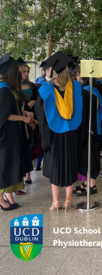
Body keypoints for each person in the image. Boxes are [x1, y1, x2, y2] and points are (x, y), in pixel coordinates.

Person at [35, 51, 82, 212]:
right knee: (69, 165)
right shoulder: (76, 86)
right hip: (72, 134)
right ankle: (68, 200)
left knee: (55, 167)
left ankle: (56, 201)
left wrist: (45, 141)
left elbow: (42, 118)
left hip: (54, 136)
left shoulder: (45, 90)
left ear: (53, 72)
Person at [0, 53, 35, 211]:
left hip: (13, 134)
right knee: (4, 165)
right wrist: (22, 119)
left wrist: (24, 112)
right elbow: (4, 115)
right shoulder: (2, 89)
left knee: (10, 164)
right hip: (5, 135)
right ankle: (1, 199)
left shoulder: (9, 87)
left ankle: (9, 196)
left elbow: (13, 106)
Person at [74, 76, 102, 196]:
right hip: (94, 128)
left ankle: (91, 185)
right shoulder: (93, 89)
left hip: (90, 130)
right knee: (89, 155)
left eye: (77, 75)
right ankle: (87, 183)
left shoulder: (87, 91)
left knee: (90, 156)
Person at [18, 59, 40, 184]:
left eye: (27, 71)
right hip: (21, 118)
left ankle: (28, 174)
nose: (26, 74)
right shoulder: (14, 87)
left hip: (32, 117)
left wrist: (34, 101)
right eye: (23, 71)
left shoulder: (32, 85)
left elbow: (37, 98)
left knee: (30, 144)